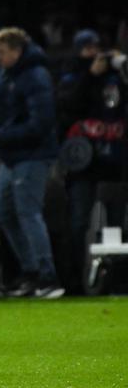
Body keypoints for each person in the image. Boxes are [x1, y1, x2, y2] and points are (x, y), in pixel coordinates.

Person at [0, 26, 63, 298]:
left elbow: (42, 122)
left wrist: (4, 135)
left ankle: (48, 277)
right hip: (11, 156)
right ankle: (30, 271)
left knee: (28, 213)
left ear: (17, 51)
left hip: (33, 155)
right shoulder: (6, 74)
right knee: (4, 212)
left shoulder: (35, 75)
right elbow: (6, 115)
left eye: (2, 52)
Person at [57, 29, 128, 289]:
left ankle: (117, 282)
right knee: (78, 224)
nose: (93, 53)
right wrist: (89, 76)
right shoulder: (72, 77)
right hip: (83, 165)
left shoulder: (117, 76)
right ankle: (74, 282)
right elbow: (66, 105)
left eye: (96, 47)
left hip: (115, 163)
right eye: (87, 48)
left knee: (118, 226)